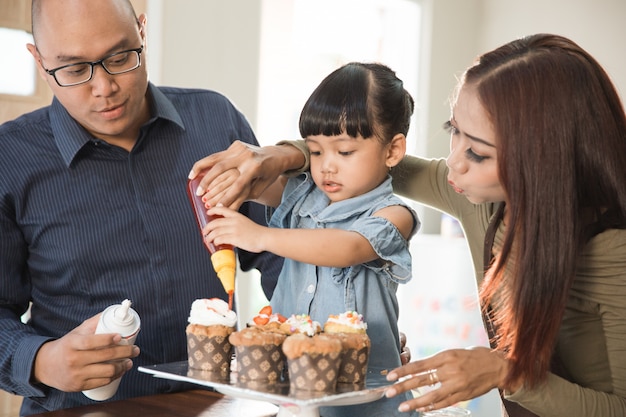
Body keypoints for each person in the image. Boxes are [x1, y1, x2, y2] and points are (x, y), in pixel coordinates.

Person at [191, 34, 626, 417]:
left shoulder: (612, 254)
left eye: (477, 153)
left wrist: (505, 372)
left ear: (545, 161)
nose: (452, 164)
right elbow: (367, 157)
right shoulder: (480, 196)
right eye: (453, 131)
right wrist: (280, 154)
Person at [0, 0, 283, 414]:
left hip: (215, 407)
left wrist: (345, 323)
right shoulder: (10, 157)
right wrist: (42, 360)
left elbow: (282, 254)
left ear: (142, 32)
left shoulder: (215, 120)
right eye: (75, 70)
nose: (104, 88)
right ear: (39, 61)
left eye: (120, 58)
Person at [201, 62, 420, 417]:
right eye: (316, 151)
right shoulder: (303, 196)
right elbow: (255, 181)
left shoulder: (394, 214)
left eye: (344, 152)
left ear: (392, 150)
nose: (326, 166)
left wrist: (260, 236)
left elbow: (347, 247)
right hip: (296, 394)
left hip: (368, 402)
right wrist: (228, 177)